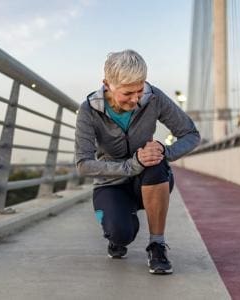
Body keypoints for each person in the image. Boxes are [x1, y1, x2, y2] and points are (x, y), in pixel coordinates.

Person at [74, 49, 200, 274]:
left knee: (156, 161)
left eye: (140, 90)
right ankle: (119, 228)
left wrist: (165, 150)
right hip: (111, 183)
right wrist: (132, 164)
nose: (136, 99)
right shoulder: (88, 111)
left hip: (150, 180)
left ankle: (157, 245)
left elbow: (191, 134)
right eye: (128, 93)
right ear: (107, 84)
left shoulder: (154, 97)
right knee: (121, 234)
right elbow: (83, 163)